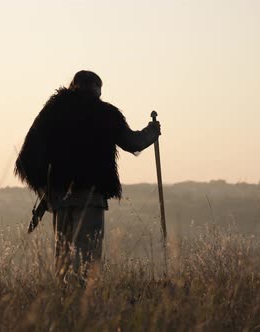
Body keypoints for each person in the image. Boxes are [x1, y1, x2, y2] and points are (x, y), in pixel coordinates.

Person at [15, 70, 160, 284]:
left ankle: (65, 310)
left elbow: (26, 159)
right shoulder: (105, 114)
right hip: (90, 200)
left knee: (63, 265)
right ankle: (83, 310)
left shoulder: (52, 113)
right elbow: (133, 143)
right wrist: (152, 131)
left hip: (60, 201)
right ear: (98, 90)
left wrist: (46, 191)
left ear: (72, 86)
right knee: (86, 264)